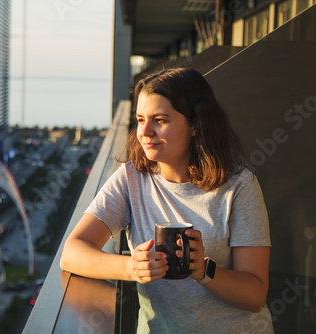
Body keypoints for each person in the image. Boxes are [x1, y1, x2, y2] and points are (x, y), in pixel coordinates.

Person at [60, 68, 273, 333]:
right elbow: (71, 253)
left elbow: (255, 296)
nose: (145, 132)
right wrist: (132, 267)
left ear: (196, 125)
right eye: (140, 119)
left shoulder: (239, 187)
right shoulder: (131, 180)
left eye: (160, 120)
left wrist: (203, 270)